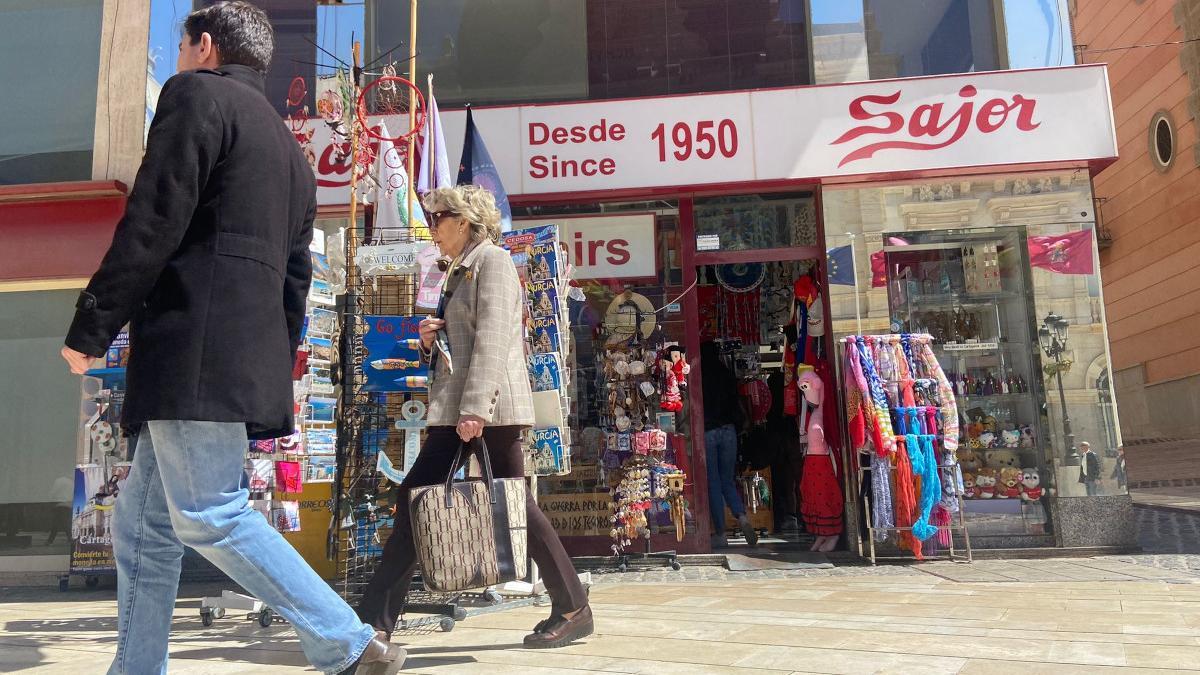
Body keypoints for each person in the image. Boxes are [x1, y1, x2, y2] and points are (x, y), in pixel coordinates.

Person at [59, 4, 401, 673]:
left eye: (182, 45)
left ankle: (349, 642)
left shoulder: (193, 97)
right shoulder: (290, 151)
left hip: (195, 348)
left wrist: (93, 324)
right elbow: (296, 279)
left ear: (204, 46)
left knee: (209, 513)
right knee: (141, 528)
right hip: (232, 358)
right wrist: (273, 364)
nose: (180, 58)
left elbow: (153, 218)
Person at [356, 185, 593, 649]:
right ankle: (573, 605)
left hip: (485, 410)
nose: (433, 230)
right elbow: (463, 342)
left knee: (445, 501)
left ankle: (374, 622)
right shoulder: (460, 270)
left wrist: (474, 409)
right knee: (490, 504)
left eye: (438, 219)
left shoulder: (494, 262)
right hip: (464, 408)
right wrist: (429, 340)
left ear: (463, 221)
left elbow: (494, 340)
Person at [700, 341, 758, 548]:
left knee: (713, 482)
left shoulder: (699, 375)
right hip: (729, 431)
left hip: (708, 431)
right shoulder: (726, 373)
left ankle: (721, 532)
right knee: (727, 479)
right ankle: (742, 517)